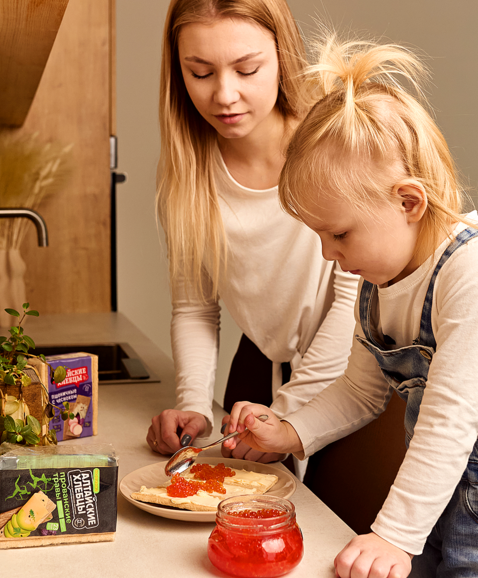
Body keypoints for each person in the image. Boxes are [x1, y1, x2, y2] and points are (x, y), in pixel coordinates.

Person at [223, 32, 478, 578]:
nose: (326, 253)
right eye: (318, 234)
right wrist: (291, 433)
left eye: (338, 233)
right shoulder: (377, 281)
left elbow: (451, 419)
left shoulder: (467, 274)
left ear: (408, 202)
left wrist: (392, 534)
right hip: (438, 490)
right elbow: (361, 390)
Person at [146, 0, 359, 473]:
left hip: (355, 376)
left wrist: (285, 417)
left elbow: (352, 310)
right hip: (261, 369)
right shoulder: (188, 175)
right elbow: (195, 308)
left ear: (282, 55)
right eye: (200, 73)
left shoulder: (332, 142)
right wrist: (195, 406)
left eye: (247, 69)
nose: (224, 95)